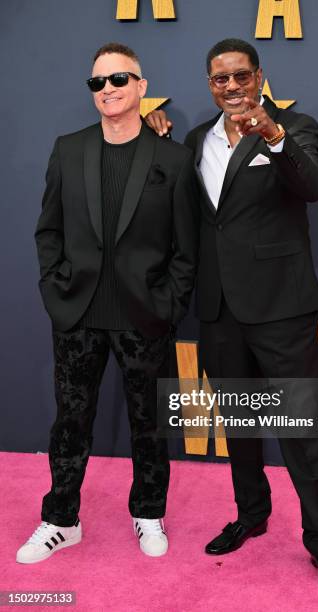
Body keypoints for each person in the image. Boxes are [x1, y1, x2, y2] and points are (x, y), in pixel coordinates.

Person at [146, 38, 318, 595]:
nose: (231, 86)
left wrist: (274, 136)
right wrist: (152, 136)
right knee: (239, 424)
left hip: (282, 307)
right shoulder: (194, 141)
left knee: (300, 429)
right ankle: (251, 514)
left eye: (240, 76)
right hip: (218, 310)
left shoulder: (294, 125)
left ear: (259, 76)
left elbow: (311, 187)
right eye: (220, 79)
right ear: (209, 84)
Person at [17, 42, 197, 563]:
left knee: (150, 423)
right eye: (97, 82)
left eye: (119, 79)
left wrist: (169, 304)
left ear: (141, 86)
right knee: (70, 421)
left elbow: (187, 248)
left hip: (147, 316)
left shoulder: (173, 157)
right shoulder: (68, 148)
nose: (108, 90)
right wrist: (55, 289)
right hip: (77, 313)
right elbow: (48, 229)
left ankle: (147, 513)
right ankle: (60, 520)